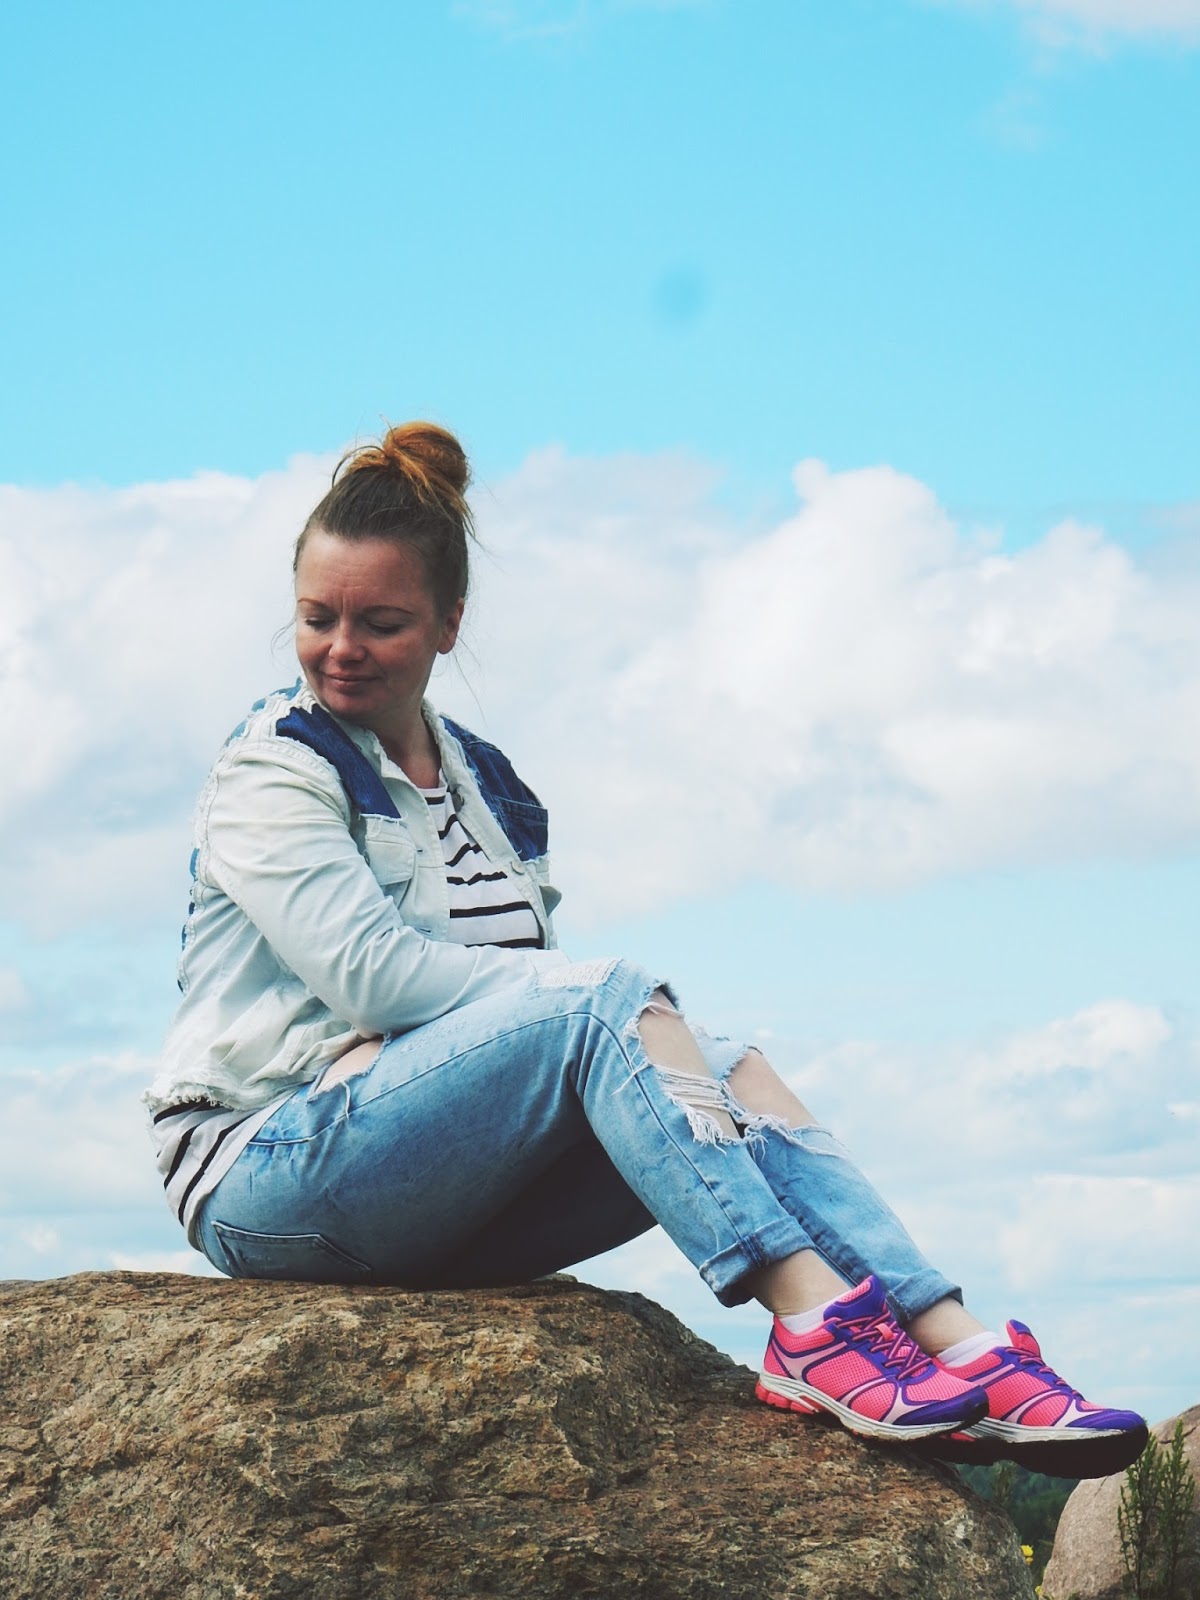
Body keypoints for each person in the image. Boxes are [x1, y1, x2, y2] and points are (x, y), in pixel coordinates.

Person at [146, 422, 1146, 1481]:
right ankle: (811, 1326)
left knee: (722, 1065)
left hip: (426, 1191)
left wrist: (560, 1029)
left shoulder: (486, 782)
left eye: (380, 622)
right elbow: (376, 979)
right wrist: (579, 1007)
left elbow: (493, 1025)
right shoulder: (275, 768)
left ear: (449, 622)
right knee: (615, 1009)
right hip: (268, 1167)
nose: (340, 647)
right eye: (317, 618)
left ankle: (957, 1342)